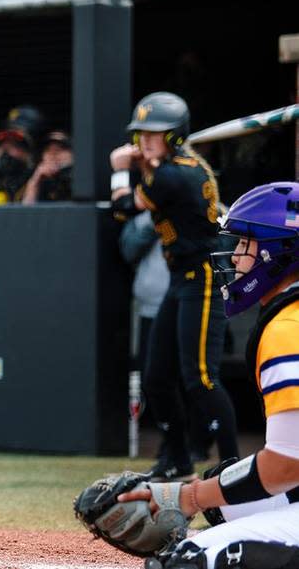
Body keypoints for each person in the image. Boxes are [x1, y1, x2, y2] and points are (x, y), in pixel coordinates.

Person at [119, 181, 299, 569]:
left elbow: (286, 465)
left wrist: (190, 497)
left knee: (185, 561)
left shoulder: (288, 327)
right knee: (228, 496)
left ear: (279, 249)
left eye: (245, 244)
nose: (234, 257)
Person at [109, 91, 239, 480]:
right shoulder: (171, 168)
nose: (144, 142)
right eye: (141, 135)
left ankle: (234, 466)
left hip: (202, 278)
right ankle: (177, 456)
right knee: (155, 378)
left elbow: (121, 208)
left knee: (200, 378)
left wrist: (119, 167)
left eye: (154, 135)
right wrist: (146, 161)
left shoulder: (174, 174)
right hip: (179, 278)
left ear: (174, 136)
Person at [21, 130, 73, 204]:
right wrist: (35, 182)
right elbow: (25, 212)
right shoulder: (41, 181)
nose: (53, 154)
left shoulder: (81, 178)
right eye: (48, 149)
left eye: (60, 149)